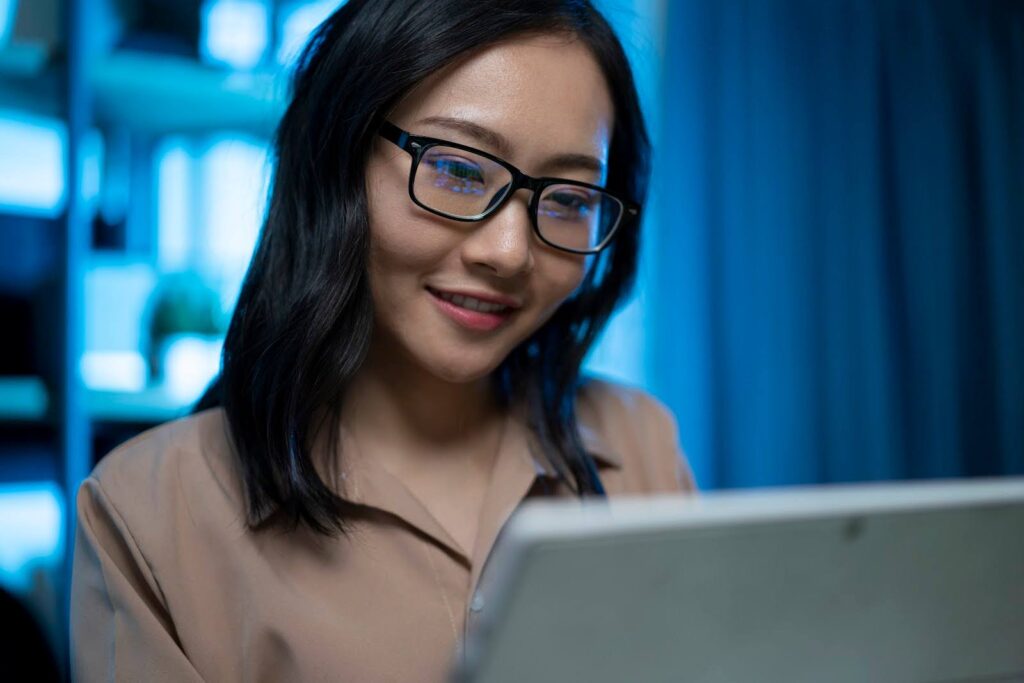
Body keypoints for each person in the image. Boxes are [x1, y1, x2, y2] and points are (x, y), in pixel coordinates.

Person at [70, 0, 697, 680]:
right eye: (458, 171)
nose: (510, 252)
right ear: (337, 160)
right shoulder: (149, 510)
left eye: (570, 200)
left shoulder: (641, 448)